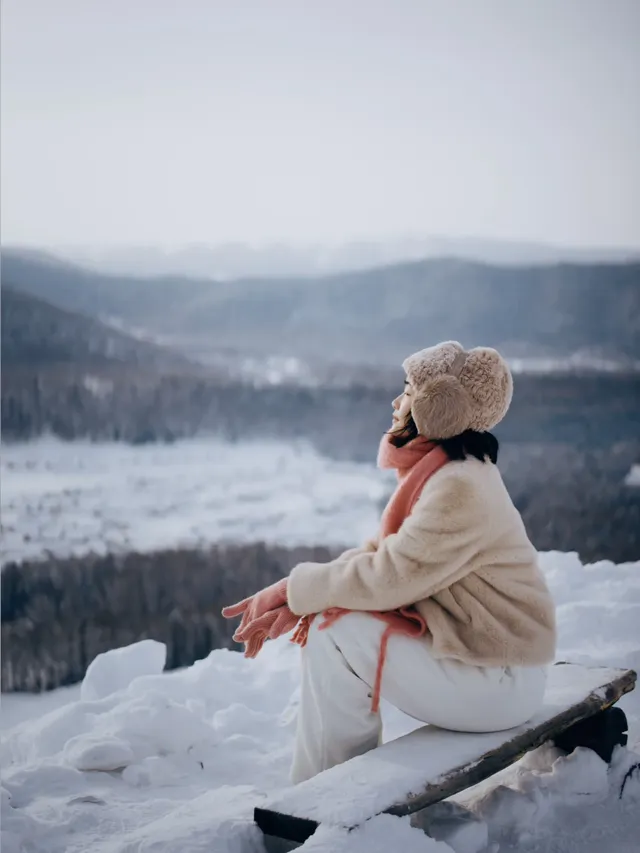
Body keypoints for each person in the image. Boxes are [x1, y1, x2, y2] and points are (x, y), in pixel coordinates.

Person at [222, 341, 556, 784]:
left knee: (334, 632)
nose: (396, 402)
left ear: (439, 406)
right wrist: (295, 597)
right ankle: (332, 788)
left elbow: (391, 576)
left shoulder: (459, 486)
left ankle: (325, 801)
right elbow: (383, 557)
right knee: (334, 619)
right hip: (503, 670)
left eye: (408, 390)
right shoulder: (455, 474)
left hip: (501, 682)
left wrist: (294, 592)